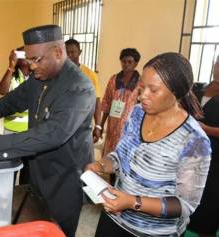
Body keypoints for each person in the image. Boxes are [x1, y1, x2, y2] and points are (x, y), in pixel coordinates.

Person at [0, 25, 96, 237]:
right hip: (35, 172)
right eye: (29, 59)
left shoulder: (79, 88)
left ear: (57, 52)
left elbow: (53, 133)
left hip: (63, 181)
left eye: (36, 59)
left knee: (56, 231)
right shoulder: (38, 77)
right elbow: (12, 100)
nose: (32, 66)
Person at [85, 52, 212, 237]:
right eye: (142, 87)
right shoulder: (137, 113)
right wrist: (101, 165)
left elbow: (185, 205)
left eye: (153, 90)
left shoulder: (194, 141)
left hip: (153, 232)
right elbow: (121, 155)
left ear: (176, 92)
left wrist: (132, 202)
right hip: (114, 218)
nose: (142, 95)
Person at [98, 48, 141, 184]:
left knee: (126, 158)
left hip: (129, 129)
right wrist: (100, 125)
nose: (126, 64)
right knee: (111, 156)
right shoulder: (114, 80)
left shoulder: (140, 83)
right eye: (123, 62)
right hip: (113, 128)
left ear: (136, 63)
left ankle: (124, 185)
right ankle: (111, 183)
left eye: (130, 62)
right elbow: (106, 104)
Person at [187, 55, 219, 237]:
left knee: (209, 209)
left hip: (215, 162)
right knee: (185, 202)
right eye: (218, 64)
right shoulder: (197, 89)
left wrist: (205, 129)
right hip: (189, 156)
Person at [0, 46, 31, 185]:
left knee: (28, 172)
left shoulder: (38, 75)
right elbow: (2, 90)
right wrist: (10, 67)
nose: (24, 55)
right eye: (21, 53)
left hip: (31, 132)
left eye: (27, 52)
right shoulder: (13, 76)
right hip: (12, 131)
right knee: (10, 170)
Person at [65, 39, 101, 142]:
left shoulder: (90, 74)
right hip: (63, 122)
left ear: (80, 52)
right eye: (67, 53)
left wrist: (98, 126)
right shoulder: (59, 74)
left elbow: (97, 101)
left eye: (73, 52)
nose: (70, 56)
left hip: (82, 124)